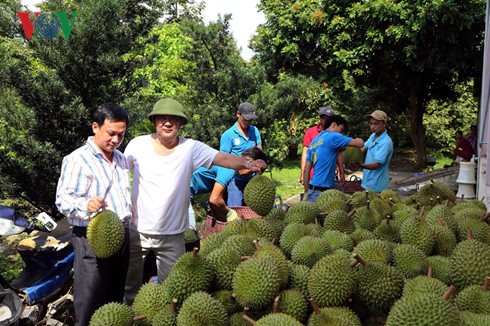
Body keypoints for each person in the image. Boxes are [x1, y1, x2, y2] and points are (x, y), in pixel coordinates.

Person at [123, 98, 267, 305]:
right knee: (129, 284)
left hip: (172, 233)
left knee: (171, 289)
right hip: (137, 230)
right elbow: (119, 173)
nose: (167, 123)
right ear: (154, 121)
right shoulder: (137, 145)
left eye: (174, 119)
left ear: (181, 124)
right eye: (162, 118)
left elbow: (223, 158)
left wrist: (248, 163)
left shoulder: (190, 148)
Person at [55, 103, 132, 326]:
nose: (116, 140)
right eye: (111, 133)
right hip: (92, 237)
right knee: (90, 300)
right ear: (95, 127)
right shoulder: (78, 159)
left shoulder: (121, 159)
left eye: (121, 135)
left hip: (122, 234)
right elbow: (63, 199)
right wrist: (86, 205)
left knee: (115, 299)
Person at [190, 146, 267, 221]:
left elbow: (215, 202)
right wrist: (231, 214)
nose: (250, 174)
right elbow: (214, 199)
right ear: (247, 160)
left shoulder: (230, 164)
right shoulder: (229, 169)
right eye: (251, 170)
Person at [303, 115, 364, 203]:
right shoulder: (333, 137)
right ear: (334, 125)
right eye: (341, 130)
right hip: (323, 193)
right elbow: (360, 144)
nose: (341, 134)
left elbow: (306, 170)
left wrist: (306, 193)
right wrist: (359, 139)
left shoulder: (314, 142)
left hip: (312, 190)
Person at [220, 102, 263, 206]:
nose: (248, 122)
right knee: (236, 211)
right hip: (235, 180)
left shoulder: (254, 131)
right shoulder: (228, 135)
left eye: (251, 119)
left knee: (254, 210)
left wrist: (258, 167)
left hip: (253, 178)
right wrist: (240, 169)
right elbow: (223, 161)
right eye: (246, 118)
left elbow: (259, 152)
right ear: (238, 114)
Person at [300, 106, 345, 187]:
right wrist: (303, 173)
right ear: (319, 118)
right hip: (312, 175)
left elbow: (339, 154)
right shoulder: (310, 132)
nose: (325, 121)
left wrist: (342, 172)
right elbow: (305, 152)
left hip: (329, 176)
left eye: (328, 118)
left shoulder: (336, 134)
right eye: (322, 117)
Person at [360, 110, 394, 193]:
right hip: (367, 181)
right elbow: (363, 148)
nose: (372, 127)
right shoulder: (373, 136)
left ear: (384, 124)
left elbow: (377, 165)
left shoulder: (385, 142)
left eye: (376, 124)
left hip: (377, 185)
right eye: (371, 124)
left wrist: (361, 165)